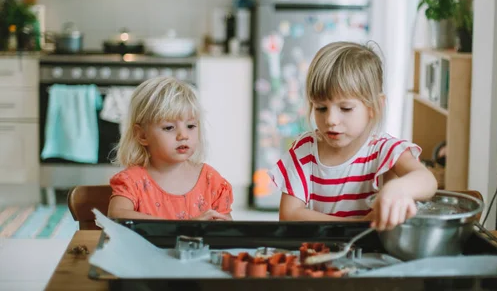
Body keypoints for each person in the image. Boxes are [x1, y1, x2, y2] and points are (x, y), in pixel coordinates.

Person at [269, 41, 437, 231]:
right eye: (321, 108)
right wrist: (356, 226)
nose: (331, 119)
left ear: (374, 106)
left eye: (345, 108)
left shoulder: (384, 150)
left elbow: (427, 180)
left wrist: (399, 188)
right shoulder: (304, 151)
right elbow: (289, 215)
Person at [107, 76, 233, 221]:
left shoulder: (211, 180)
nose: (183, 135)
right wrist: (183, 227)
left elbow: (227, 230)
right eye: (169, 128)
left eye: (190, 126)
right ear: (142, 135)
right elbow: (117, 215)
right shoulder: (132, 181)